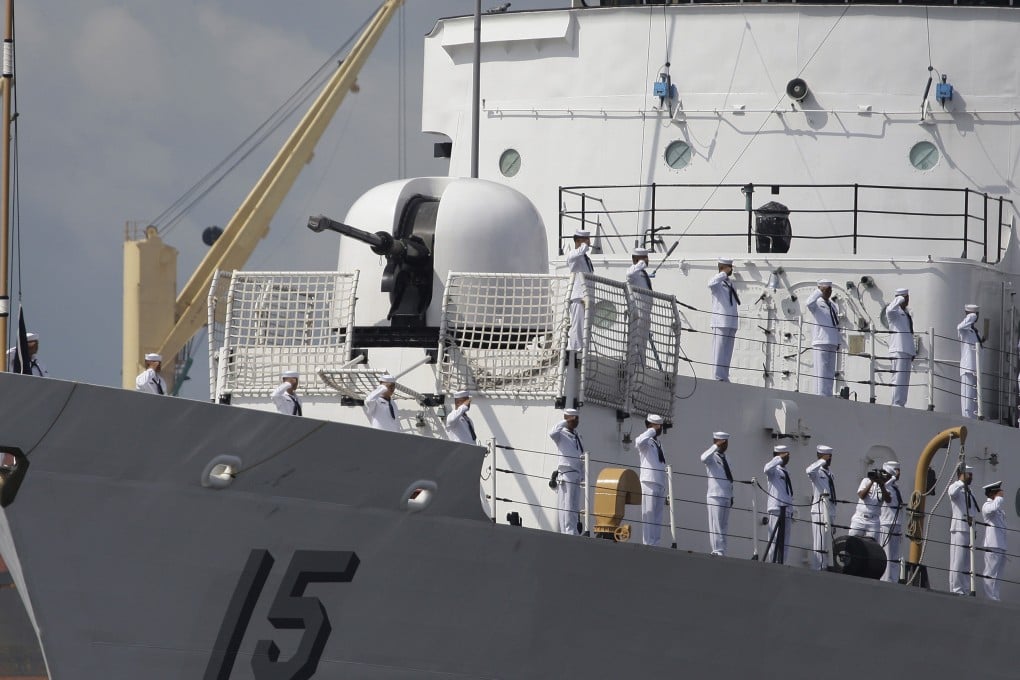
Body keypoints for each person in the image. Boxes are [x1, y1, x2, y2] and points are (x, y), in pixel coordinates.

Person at [548, 408, 586, 535]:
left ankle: (573, 530)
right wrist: (565, 421)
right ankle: (567, 531)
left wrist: (582, 473)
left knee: (574, 505)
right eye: (574, 419)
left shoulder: (577, 435)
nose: (577, 422)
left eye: (578, 419)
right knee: (567, 504)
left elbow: (580, 454)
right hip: (567, 472)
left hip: (577, 473)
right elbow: (552, 432)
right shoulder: (561, 434)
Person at [804, 280, 842, 396]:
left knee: (830, 372)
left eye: (830, 289)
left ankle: (828, 394)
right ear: (820, 289)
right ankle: (820, 395)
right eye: (826, 289)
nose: (828, 292)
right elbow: (809, 302)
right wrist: (819, 291)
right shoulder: (816, 304)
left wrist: (838, 340)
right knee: (821, 371)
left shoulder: (833, 306)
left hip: (832, 341)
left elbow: (836, 325)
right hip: (821, 341)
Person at [635, 414, 667, 547]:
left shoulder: (658, 444)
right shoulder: (646, 442)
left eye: (660, 426)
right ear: (650, 426)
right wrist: (652, 430)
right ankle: (648, 543)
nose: (659, 429)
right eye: (657, 426)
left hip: (659, 483)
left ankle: (656, 543)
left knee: (658, 516)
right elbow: (638, 441)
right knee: (649, 515)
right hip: (649, 481)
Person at [700, 432, 734, 556]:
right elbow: (703, 457)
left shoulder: (727, 458)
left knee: (724, 525)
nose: (726, 445)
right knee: (716, 525)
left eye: (726, 443)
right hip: (715, 495)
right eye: (724, 443)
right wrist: (715, 446)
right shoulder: (712, 457)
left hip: (726, 495)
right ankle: (717, 550)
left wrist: (731, 495)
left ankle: (723, 550)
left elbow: (728, 477)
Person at [708, 258, 740, 381]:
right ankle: (717, 376)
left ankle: (724, 376)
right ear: (723, 267)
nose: (731, 269)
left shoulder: (730, 283)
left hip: (731, 322)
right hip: (720, 321)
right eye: (729, 267)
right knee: (719, 350)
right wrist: (723, 273)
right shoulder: (717, 283)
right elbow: (710, 283)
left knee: (727, 352)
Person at [805, 445, 837, 570]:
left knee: (827, 545)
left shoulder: (830, 474)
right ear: (820, 456)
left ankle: (824, 568)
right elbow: (809, 470)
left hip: (829, 512)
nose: (830, 459)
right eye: (827, 457)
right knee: (819, 544)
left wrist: (833, 516)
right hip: (819, 512)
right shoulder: (816, 473)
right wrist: (822, 461)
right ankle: (817, 569)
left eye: (830, 457)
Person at [947, 465, 977, 595]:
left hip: (968, 530)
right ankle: (956, 589)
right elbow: (952, 493)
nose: (971, 477)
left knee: (966, 563)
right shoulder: (956, 488)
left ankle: (964, 589)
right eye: (968, 474)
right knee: (957, 561)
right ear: (962, 474)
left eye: (971, 474)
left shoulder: (969, 491)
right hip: (958, 529)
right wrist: (961, 482)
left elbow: (973, 511)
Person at [565, 229, 594, 353]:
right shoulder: (573, 255)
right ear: (578, 241)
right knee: (577, 325)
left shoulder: (584, 258)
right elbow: (578, 253)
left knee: (585, 326)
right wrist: (583, 246)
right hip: (578, 296)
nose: (588, 242)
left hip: (587, 297)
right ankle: (575, 350)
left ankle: (583, 350)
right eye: (585, 239)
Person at [763, 445, 794, 564]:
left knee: (785, 540)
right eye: (785, 455)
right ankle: (773, 561)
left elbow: (788, 492)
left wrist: (792, 509)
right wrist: (778, 458)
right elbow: (766, 468)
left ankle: (782, 562)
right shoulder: (773, 471)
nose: (788, 457)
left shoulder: (786, 472)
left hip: (787, 509)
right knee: (774, 538)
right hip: (776, 508)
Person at [885, 288, 915, 407]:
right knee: (897, 378)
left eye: (907, 297)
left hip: (907, 349)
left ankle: (901, 402)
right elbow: (889, 309)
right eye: (906, 298)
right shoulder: (894, 313)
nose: (907, 300)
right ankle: (896, 403)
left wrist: (912, 351)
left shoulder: (906, 313)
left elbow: (909, 333)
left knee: (904, 380)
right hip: (898, 349)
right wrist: (900, 298)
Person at [626, 247, 654, 366]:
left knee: (643, 342)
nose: (647, 260)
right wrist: (640, 263)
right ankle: (635, 365)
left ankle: (642, 365)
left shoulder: (642, 273)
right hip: (637, 313)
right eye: (644, 257)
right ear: (637, 259)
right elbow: (629, 274)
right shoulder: (634, 272)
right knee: (636, 341)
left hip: (646, 313)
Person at [981, 480, 1007, 601]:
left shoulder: (998, 509)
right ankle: (989, 596)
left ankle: (995, 596)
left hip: (1000, 545)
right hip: (992, 544)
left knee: (998, 574)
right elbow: (992, 508)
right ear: (992, 494)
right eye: (998, 492)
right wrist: (999, 498)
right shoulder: (987, 506)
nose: (1001, 494)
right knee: (990, 572)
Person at [879, 461, 905, 583]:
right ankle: (886, 579)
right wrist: (894, 476)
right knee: (887, 554)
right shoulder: (885, 486)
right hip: (887, 523)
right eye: (896, 470)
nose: (899, 473)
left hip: (896, 524)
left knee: (895, 556)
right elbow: (886, 496)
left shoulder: (895, 487)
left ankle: (893, 579)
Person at [848, 468, 890, 540]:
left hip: (873, 521)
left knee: (872, 545)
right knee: (852, 542)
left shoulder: (885, 486)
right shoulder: (866, 481)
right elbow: (862, 496)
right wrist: (871, 482)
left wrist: (881, 485)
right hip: (859, 518)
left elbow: (888, 500)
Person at [957, 304, 982, 419]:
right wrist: (972, 315)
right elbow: (960, 327)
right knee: (967, 398)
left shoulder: (974, 332)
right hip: (967, 367)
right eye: (977, 314)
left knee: (972, 398)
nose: (977, 316)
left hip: (975, 368)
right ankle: (967, 418)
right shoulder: (965, 330)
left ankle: (971, 418)